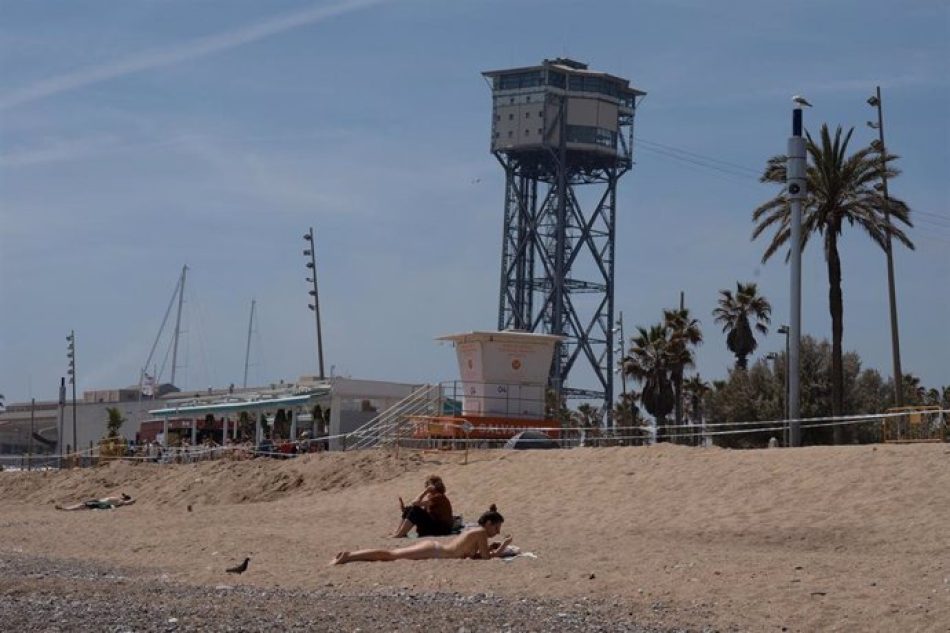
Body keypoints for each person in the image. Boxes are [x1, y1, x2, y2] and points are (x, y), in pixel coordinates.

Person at [331, 504, 510, 565]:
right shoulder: (480, 532)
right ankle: (349, 556)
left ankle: (350, 556)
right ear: (488, 524)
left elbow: (475, 555)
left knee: (390, 555)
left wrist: (493, 548)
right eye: (496, 528)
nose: (497, 532)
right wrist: (503, 547)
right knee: (390, 555)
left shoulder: (476, 532)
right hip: (436, 551)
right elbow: (486, 559)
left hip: (436, 549)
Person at [56, 493, 136, 511]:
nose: (122, 496)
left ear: (125, 498)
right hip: (99, 501)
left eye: (123, 496)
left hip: (101, 504)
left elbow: (129, 503)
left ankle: (66, 509)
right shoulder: (119, 499)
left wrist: (134, 499)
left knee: (83, 505)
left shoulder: (121, 501)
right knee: (83, 505)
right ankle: (66, 509)